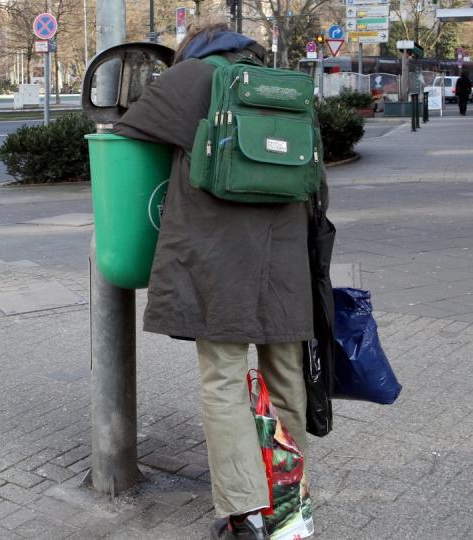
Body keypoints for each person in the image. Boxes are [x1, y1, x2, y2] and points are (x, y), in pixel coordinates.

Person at [113, 20, 324, 540]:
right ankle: (287, 508)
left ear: (195, 49)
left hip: (217, 258)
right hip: (286, 259)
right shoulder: (281, 87)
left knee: (224, 380)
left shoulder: (192, 78)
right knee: (286, 380)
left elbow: (125, 128)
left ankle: (246, 514)